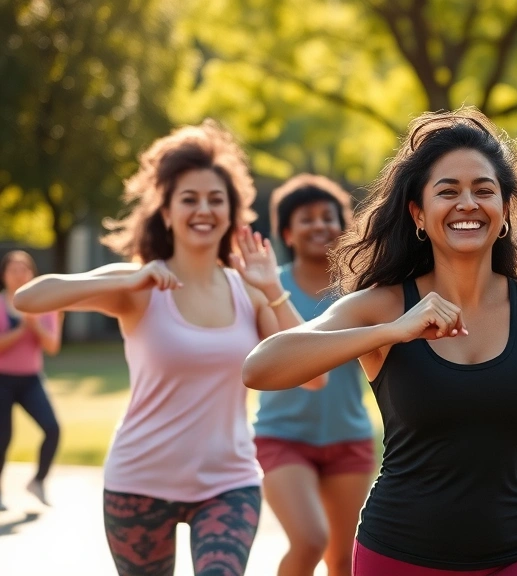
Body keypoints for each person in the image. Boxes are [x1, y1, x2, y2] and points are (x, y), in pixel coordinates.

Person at [242, 108, 517, 576]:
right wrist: (396, 331)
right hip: (399, 555)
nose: (467, 203)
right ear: (418, 213)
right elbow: (261, 368)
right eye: (447, 191)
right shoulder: (384, 306)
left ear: (506, 210)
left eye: (484, 190)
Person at [13, 120, 313, 576]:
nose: (203, 209)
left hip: (228, 483)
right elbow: (27, 298)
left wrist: (274, 290)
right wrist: (127, 277)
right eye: (188, 199)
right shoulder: (139, 285)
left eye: (216, 199)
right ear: (166, 212)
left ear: (232, 213)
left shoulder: (249, 292)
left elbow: (314, 375)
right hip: (139, 483)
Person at [253, 174, 375, 576]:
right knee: (309, 540)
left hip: (348, 437)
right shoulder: (268, 286)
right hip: (282, 436)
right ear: (287, 232)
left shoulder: (359, 290)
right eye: (307, 219)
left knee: (343, 561)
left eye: (329, 216)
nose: (320, 225)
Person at [0, 250, 62, 511]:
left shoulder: (44, 305)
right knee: (3, 438)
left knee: (52, 428)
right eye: (13, 269)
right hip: (2, 379)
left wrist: (35, 325)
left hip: (31, 380)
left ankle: (37, 481)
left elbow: (52, 346)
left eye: (24, 269)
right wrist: (23, 328)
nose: (19, 274)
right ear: (4, 275)